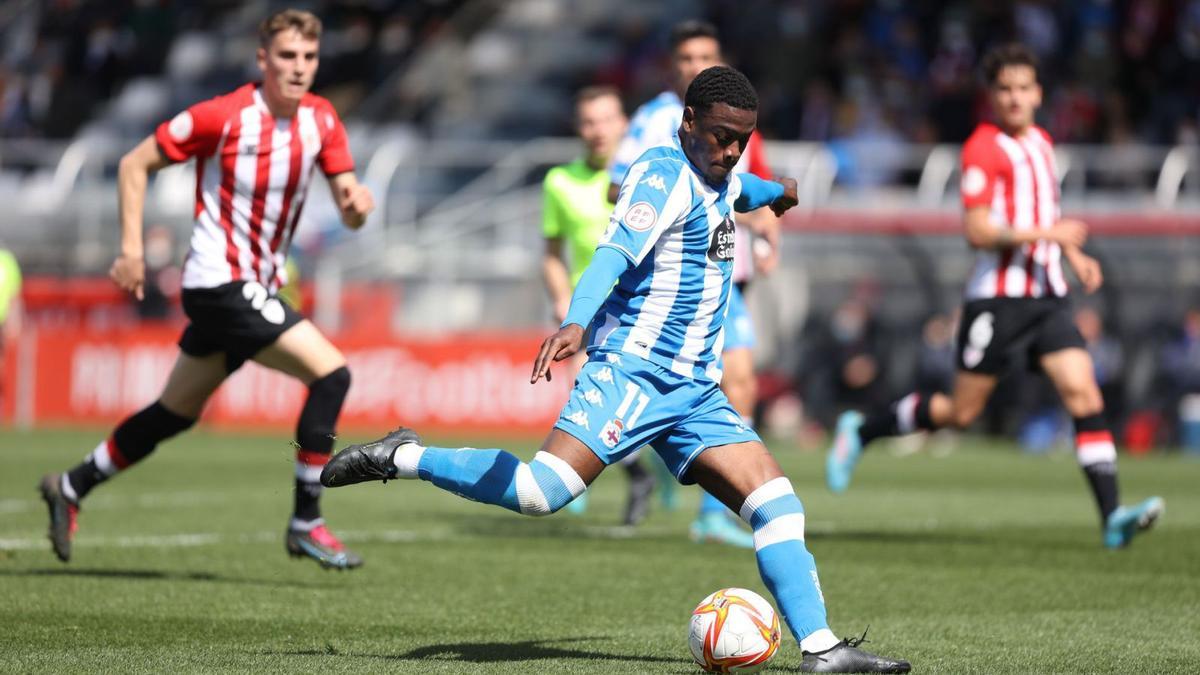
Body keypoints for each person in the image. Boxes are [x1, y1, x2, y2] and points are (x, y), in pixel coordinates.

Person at [322, 66, 910, 673]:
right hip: (633, 372)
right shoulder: (660, 176)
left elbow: (741, 191)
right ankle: (403, 456)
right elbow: (611, 256)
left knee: (779, 506)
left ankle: (820, 650)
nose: (731, 150)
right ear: (688, 123)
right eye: (720, 136)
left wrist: (776, 189)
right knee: (538, 492)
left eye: (741, 139)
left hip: (693, 392)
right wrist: (577, 321)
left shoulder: (720, 174)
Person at [38, 9, 375, 569]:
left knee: (176, 411)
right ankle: (306, 520)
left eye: (309, 58)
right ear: (263, 59)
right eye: (287, 57)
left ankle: (71, 485)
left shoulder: (323, 120)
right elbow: (134, 163)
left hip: (253, 287)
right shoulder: (224, 116)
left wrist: (358, 208)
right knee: (332, 374)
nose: (299, 68)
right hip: (218, 281)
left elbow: (349, 201)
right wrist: (131, 250)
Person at [825, 44, 1163, 549]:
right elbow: (978, 231)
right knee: (961, 413)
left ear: (1038, 93)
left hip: (1048, 298)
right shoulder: (982, 147)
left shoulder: (1044, 144)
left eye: (1023, 88)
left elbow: (1048, 217)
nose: (1015, 98)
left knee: (1084, 394)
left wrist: (1074, 257)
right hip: (997, 303)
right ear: (992, 95)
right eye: (1004, 89)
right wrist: (1050, 237)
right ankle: (865, 428)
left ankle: (1113, 516)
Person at [608, 19, 779, 547]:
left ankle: (711, 509)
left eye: (705, 54)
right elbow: (619, 183)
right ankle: (670, 453)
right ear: (673, 66)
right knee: (711, 380)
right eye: (686, 58)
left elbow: (753, 187)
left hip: (724, 276)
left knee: (742, 379)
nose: (695, 65)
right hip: (672, 279)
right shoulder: (655, 119)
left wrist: (769, 233)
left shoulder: (736, 115)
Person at [541, 85, 657, 524]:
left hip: (642, 306)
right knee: (586, 389)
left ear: (624, 124)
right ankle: (627, 473)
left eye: (606, 119)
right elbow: (551, 253)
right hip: (587, 311)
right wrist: (559, 300)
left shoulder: (648, 177)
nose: (598, 130)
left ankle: (642, 470)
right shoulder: (559, 182)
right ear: (578, 128)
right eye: (589, 121)